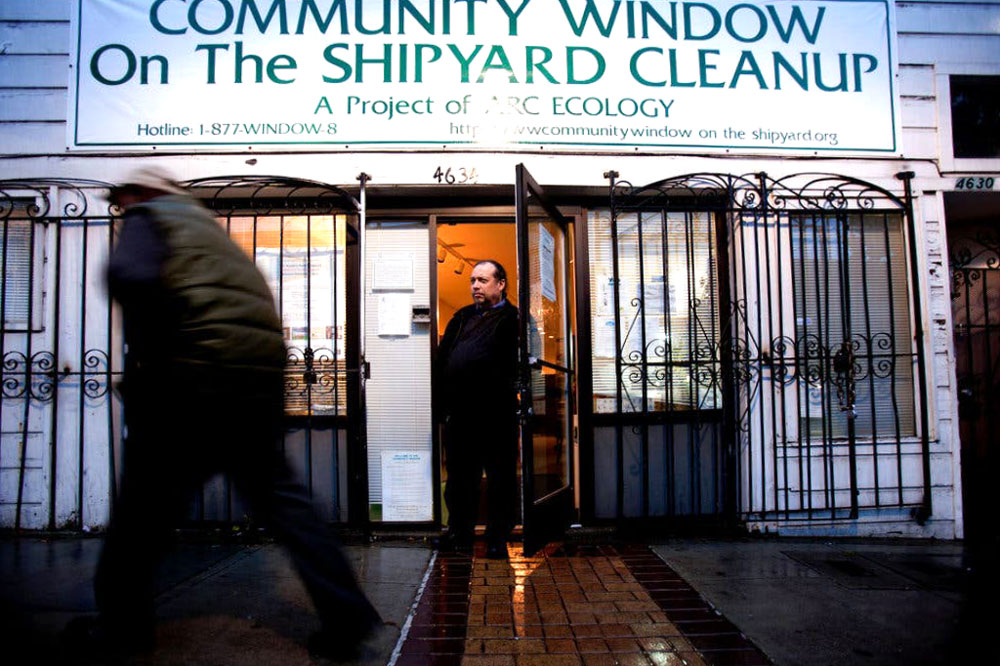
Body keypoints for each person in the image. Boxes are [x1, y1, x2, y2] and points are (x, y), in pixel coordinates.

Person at [69, 167, 380, 660]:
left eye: (123, 200)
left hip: (190, 381)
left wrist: (155, 354)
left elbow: (128, 276)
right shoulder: (213, 236)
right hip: (254, 383)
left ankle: (122, 629)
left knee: (140, 515)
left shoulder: (151, 217)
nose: (122, 208)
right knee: (288, 508)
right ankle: (348, 615)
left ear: (139, 193)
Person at [436, 259, 520, 560]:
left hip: (497, 415)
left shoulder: (515, 318)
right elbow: (442, 359)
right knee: (460, 478)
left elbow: (525, 365)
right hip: (461, 415)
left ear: (501, 284)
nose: (475, 286)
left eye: (482, 280)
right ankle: (459, 533)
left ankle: (498, 537)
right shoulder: (461, 317)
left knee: (500, 479)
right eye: (472, 280)